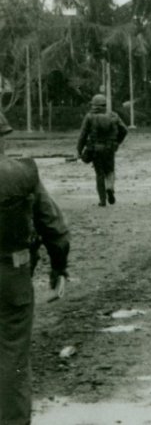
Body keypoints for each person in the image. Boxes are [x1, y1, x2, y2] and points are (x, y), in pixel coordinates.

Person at [0, 110, 70, 425]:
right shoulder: (23, 174)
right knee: (13, 358)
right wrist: (59, 269)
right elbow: (54, 227)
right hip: (12, 277)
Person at [76, 94, 128, 207]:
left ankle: (102, 200)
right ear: (105, 105)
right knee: (110, 171)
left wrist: (79, 150)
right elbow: (124, 130)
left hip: (95, 149)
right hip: (110, 149)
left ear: (93, 105)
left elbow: (83, 135)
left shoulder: (89, 117)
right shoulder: (114, 116)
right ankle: (110, 187)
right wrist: (117, 142)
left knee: (99, 174)